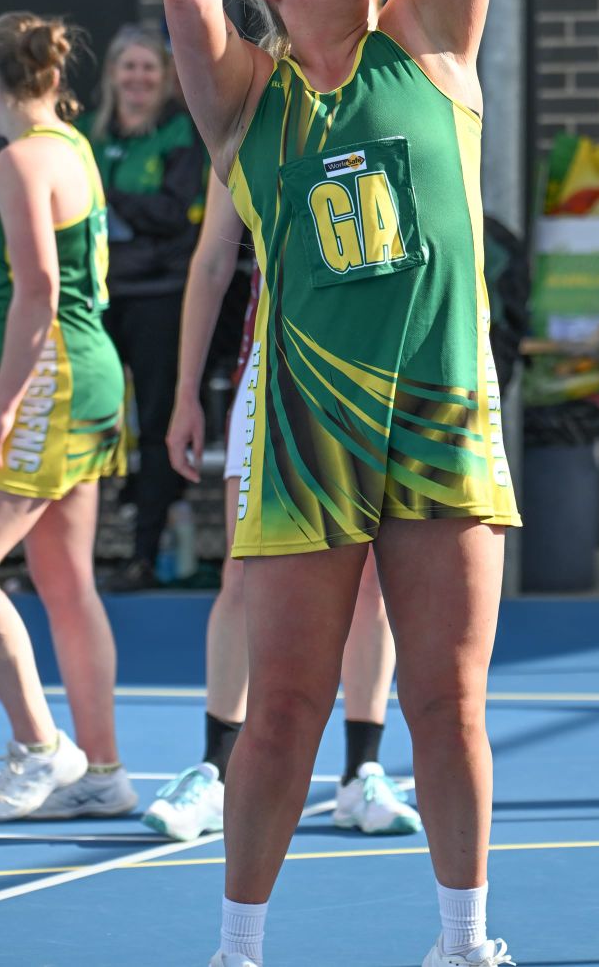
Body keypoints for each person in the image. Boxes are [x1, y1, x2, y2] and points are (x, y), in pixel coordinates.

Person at [164, 0, 519, 967]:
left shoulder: (427, 41)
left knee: (448, 702)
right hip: (310, 433)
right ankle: (239, 949)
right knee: (287, 711)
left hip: (438, 414)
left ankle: (463, 941)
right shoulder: (248, 104)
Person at [142, 170, 421, 842]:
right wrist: (185, 391)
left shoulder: (391, 115)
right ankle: (216, 770)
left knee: (370, 583)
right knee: (244, 571)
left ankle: (361, 772)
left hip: (375, 373)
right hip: (275, 366)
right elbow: (213, 262)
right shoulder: (247, 125)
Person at [0, 12, 136, 822]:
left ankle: (41, 747)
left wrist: (7, 401)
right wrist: (0, 388)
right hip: (84, 374)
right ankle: (103, 770)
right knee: (64, 582)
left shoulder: (19, 161)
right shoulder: (74, 145)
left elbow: (39, 291)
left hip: (53, 378)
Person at [79, 24, 206, 589]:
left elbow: (174, 214)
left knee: (157, 421)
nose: (137, 78)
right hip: (97, 296)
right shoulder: (87, 134)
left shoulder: (182, 133)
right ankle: (70, 560)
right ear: (112, 74)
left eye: (148, 68)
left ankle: (143, 556)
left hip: (159, 296)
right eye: (128, 67)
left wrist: (110, 199)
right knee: (84, 423)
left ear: (165, 76)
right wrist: (135, 210)